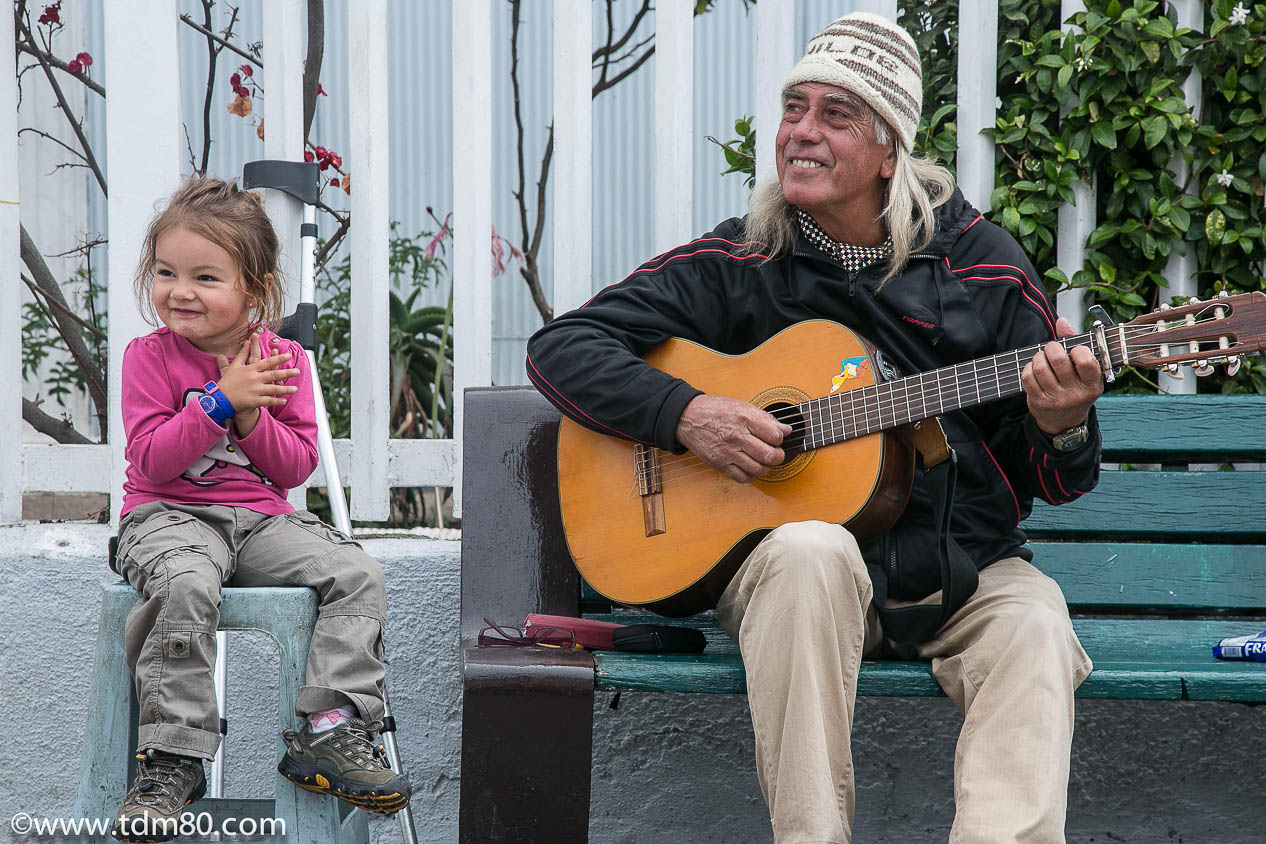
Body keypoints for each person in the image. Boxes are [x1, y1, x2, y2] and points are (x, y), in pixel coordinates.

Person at [526, 12, 1104, 844]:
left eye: (836, 114)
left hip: (959, 570)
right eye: (794, 107)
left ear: (889, 152)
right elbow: (563, 346)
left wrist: (1062, 424)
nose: (801, 131)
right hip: (805, 584)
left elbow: (1055, 481)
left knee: (1038, 625)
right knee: (807, 549)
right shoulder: (743, 262)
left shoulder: (987, 271)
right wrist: (686, 414)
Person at [110, 177, 410, 841]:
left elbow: (293, 467)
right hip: (167, 516)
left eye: (205, 277)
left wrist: (247, 414)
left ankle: (329, 729)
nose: (179, 291)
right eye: (165, 272)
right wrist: (217, 402)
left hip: (261, 523)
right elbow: (154, 459)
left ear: (254, 289)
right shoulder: (148, 359)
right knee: (186, 582)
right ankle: (174, 758)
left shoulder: (281, 361)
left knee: (357, 574)